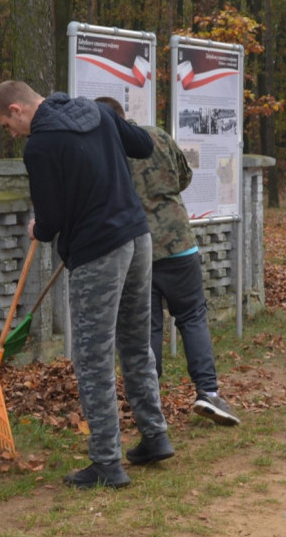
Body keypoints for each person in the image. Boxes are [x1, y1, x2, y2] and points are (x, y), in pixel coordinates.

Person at [0, 81, 171, 489]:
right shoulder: (98, 112)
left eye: (8, 125)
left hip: (99, 252)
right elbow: (143, 145)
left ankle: (107, 463)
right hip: (137, 237)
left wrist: (39, 227)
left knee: (93, 358)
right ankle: (155, 435)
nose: (12, 133)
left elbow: (52, 220)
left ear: (18, 109)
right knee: (135, 341)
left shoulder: (38, 147)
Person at [96, 97, 240, 427]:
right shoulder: (156, 136)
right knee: (192, 317)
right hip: (178, 244)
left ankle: (151, 400)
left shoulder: (106, 154)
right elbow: (184, 176)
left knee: (148, 326)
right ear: (124, 115)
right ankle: (208, 391)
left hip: (137, 249)